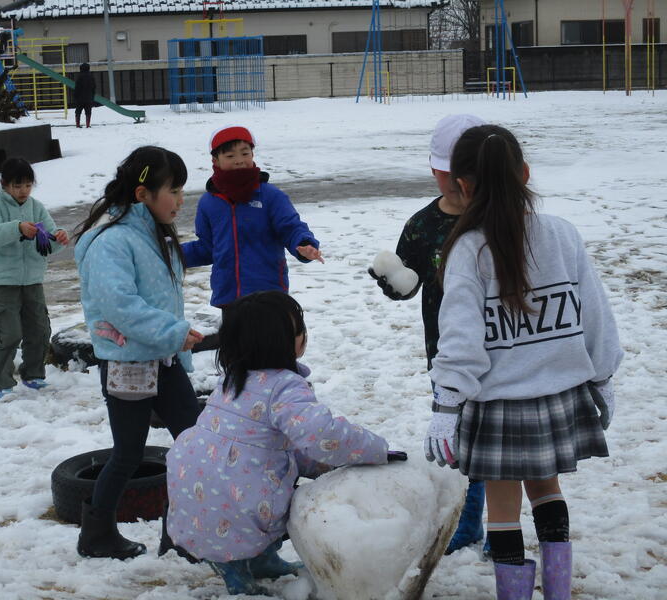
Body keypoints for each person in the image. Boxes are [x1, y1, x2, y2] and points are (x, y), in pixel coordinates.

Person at [425, 124, 623, 600]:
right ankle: (557, 592)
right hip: (558, 396)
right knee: (548, 491)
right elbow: (595, 315)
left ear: (462, 185)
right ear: (525, 174)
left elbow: (461, 339)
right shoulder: (562, 234)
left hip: (498, 404)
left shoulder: (468, 250)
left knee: (503, 508)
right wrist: (603, 377)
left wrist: (446, 405)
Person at [165, 291, 405, 596]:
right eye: (299, 330)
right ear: (281, 342)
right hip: (237, 500)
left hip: (194, 488)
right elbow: (322, 434)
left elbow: (268, 445)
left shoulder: (233, 379)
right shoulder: (284, 387)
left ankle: (259, 559)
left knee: (262, 481)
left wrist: (319, 466)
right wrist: (375, 449)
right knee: (281, 494)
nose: (304, 335)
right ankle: (234, 568)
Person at [73, 146, 204, 560]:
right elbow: (121, 305)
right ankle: (96, 535)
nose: (181, 200)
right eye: (174, 190)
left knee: (195, 444)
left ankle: (179, 533)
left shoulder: (151, 234)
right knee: (128, 454)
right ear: (143, 194)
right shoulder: (111, 242)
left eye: (182, 190)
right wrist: (173, 332)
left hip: (163, 361)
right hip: (128, 364)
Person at [369, 113, 490, 556]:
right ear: (435, 171)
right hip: (446, 351)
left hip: (503, 344)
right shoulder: (423, 224)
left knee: (501, 439)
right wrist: (394, 282)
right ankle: (470, 521)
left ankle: (501, 524)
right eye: (446, 173)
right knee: (463, 438)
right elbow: (410, 280)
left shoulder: (499, 217)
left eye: (464, 174)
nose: (455, 183)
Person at [181, 126, 324, 311]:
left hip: (268, 295)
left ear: (252, 154)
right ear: (215, 160)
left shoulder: (270, 196)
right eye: (230, 156)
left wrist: (304, 244)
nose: (239, 160)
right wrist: (172, 254)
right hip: (229, 297)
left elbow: (291, 228)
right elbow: (207, 247)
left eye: (245, 153)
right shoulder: (208, 203)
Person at [0, 157, 69, 400]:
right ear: (4, 184)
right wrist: (17, 228)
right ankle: (1, 382)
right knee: (8, 332)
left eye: (28, 185)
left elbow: (47, 243)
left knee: (39, 329)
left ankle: (33, 374)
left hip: (33, 280)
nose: (23, 191)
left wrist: (59, 238)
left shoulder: (36, 207)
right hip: (3, 281)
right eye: (17, 186)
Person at [73, 62, 95, 128]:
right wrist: (92, 96)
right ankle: (88, 125)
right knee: (88, 112)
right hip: (88, 97)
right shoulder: (91, 76)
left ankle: (77, 124)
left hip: (80, 98)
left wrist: (75, 96)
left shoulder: (79, 76)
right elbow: (94, 87)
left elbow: (77, 87)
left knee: (78, 111)